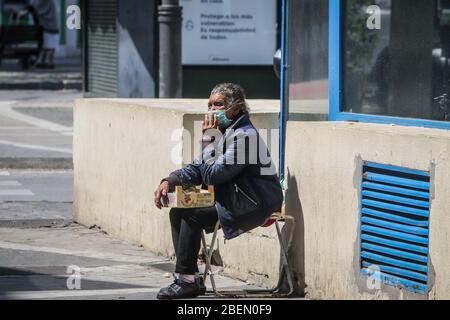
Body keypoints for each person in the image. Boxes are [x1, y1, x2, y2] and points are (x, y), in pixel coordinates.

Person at [153, 83, 283, 299]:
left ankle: (186, 282)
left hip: (255, 203)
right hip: (233, 198)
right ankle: (190, 278)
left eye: (219, 105)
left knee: (191, 216)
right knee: (178, 212)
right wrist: (169, 180)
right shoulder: (224, 132)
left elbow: (214, 175)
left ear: (236, 108)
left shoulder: (244, 136)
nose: (212, 111)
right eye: (210, 105)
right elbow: (197, 167)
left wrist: (208, 141)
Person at [28, 0, 59, 68]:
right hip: (52, 26)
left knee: (47, 45)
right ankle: (47, 62)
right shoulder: (50, 2)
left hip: (46, 26)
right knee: (49, 46)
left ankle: (43, 61)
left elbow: (34, 6)